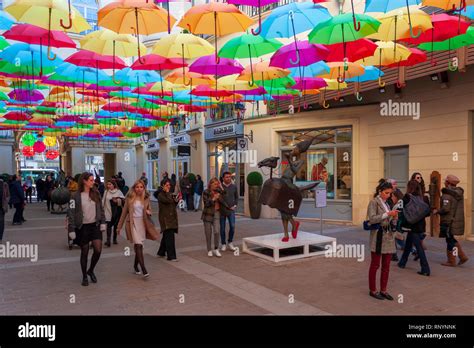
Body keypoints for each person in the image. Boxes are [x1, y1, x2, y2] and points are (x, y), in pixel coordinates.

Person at [67, 172, 106, 286]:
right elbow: (71, 213)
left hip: (95, 225)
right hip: (82, 227)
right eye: (90, 180)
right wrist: (71, 229)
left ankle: (91, 270)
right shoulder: (75, 196)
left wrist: (103, 222)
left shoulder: (96, 193)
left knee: (98, 250)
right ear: (84, 181)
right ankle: (84, 275)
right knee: (84, 252)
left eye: (93, 180)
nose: (93, 182)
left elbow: (101, 210)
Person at [117, 180, 159, 277]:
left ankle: (136, 266)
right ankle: (144, 269)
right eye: (137, 187)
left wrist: (149, 211)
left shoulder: (146, 198)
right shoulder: (129, 198)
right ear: (134, 188)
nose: (139, 189)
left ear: (143, 188)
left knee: (138, 246)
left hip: (143, 223)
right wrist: (119, 227)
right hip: (133, 224)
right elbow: (123, 213)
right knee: (139, 245)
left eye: (141, 187)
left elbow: (150, 210)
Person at [367, 180, 398, 300]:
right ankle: (373, 290)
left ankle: (384, 290)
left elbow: (391, 221)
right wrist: (387, 214)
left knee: (386, 266)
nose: (388, 195)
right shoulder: (374, 202)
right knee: (375, 265)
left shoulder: (388, 203)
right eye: (386, 192)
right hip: (378, 237)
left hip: (389, 236)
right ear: (380, 191)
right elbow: (372, 219)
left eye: (390, 193)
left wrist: (395, 217)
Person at [397, 180, 431, 276]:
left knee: (419, 247)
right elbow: (428, 213)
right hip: (420, 225)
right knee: (408, 244)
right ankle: (402, 262)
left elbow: (400, 209)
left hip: (411, 225)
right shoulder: (424, 198)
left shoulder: (407, 197)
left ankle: (425, 269)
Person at [433, 175, 469, 267]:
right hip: (454, 220)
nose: (444, 182)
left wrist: (437, 211)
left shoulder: (447, 195)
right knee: (451, 239)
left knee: (450, 241)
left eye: (445, 181)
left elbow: (446, 209)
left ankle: (452, 260)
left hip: (448, 221)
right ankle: (461, 256)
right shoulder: (458, 193)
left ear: (448, 183)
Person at [202, 178, 230, 257]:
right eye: (214, 184)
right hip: (207, 214)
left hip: (217, 213)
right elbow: (206, 203)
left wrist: (221, 187)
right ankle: (209, 250)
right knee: (208, 233)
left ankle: (216, 248)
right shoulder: (206, 192)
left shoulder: (218, 191)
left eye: (217, 184)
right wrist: (214, 199)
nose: (216, 185)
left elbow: (225, 193)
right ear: (210, 184)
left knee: (217, 231)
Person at [157, 179, 180, 261]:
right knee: (170, 237)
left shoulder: (169, 194)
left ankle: (161, 252)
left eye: (169, 185)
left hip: (171, 218)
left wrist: (176, 200)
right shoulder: (161, 195)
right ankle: (171, 256)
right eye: (167, 185)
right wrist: (167, 193)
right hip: (165, 219)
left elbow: (173, 203)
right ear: (162, 186)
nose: (169, 187)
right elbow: (167, 201)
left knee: (166, 236)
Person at [410, 172, 429, 260]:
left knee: (417, 236)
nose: (419, 179)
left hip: (420, 217)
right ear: (413, 179)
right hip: (414, 217)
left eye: (420, 178)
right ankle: (417, 250)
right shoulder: (411, 189)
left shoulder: (423, 190)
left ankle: (418, 251)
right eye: (417, 178)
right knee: (414, 237)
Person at [102, 179, 125, 247]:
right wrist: (101, 208)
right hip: (108, 211)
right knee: (108, 226)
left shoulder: (118, 192)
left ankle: (114, 239)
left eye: (110, 184)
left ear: (114, 185)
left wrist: (117, 200)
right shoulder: (106, 192)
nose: (108, 186)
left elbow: (123, 200)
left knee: (115, 226)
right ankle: (108, 240)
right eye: (107, 184)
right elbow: (103, 200)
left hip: (116, 212)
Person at [220, 172, 238, 252]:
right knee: (222, 228)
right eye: (227, 177)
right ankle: (223, 243)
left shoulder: (234, 186)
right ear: (223, 178)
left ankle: (230, 242)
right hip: (222, 210)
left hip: (231, 210)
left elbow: (236, 197)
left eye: (230, 177)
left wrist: (235, 205)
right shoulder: (220, 187)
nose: (229, 178)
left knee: (233, 226)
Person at [0, 175, 10, 242]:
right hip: (2, 206)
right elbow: (8, 195)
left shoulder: (4, 185)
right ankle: (0, 238)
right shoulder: (4, 185)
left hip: (2, 206)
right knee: (1, 222)